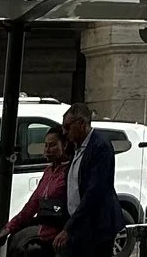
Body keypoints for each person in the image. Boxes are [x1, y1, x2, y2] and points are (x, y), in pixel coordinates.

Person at [56, 108, 119, 257]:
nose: (65, 132)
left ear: (82, 124)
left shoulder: (100, 146)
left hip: (96, 227)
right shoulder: (76, 147)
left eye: (67, 127)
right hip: (78, 225)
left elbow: (94, 191)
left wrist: (69, 228)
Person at [3, 131, 73, 254]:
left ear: (65, 145)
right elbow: (32, 205)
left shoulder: (70, 172)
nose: (47, 150)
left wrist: (67, 230)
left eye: (52, 145)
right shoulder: (48, 171)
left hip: (61, 233)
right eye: (46, 146)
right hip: (44, 232)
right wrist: (9, 228)